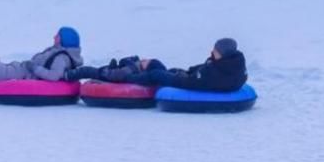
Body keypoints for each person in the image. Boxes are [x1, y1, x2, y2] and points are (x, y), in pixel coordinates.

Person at [73, 38, 248, 93]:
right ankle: (129, 65)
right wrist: (187, 71)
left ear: (223, 53)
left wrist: (185, 75)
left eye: (216, 51)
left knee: (156, 73)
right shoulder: (230, 64)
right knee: (156, 64)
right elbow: (203, 70)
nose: (213, 52)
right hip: (189, 78)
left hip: (186, 84)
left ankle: (123, 76)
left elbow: (199, 80)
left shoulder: (219, 71)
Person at [0, 26, 83, 82]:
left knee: (1, 70)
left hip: (26, 74)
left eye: (57, 36)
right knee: (2, 67)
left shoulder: (61, 58)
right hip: (25, 70)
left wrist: (35, 68)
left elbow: (54, 76)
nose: (54, 37)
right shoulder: (56, 51)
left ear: (64, 39)